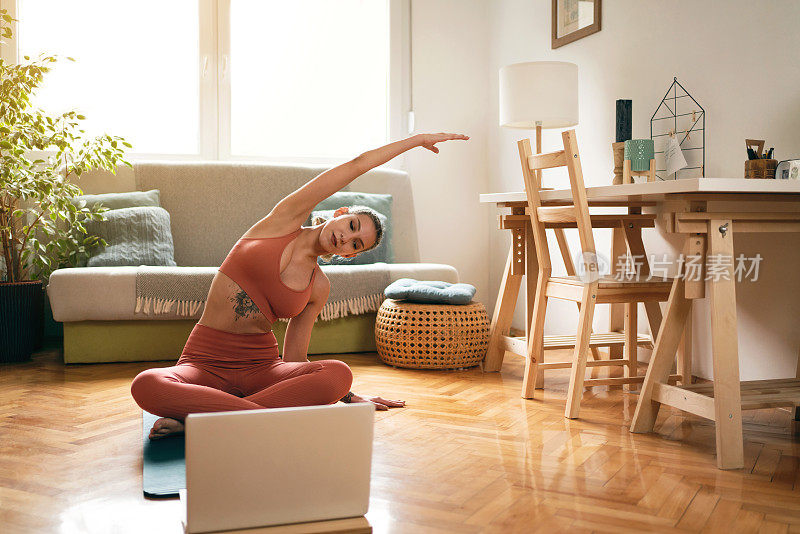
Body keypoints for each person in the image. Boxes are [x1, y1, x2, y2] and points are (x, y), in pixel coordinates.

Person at [131, 132, 470, 439]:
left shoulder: (318, 287)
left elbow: (295, 360)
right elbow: (357, 164)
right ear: (340, 211)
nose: (346, 238)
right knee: (147, 385)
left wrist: (347, 395)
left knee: (338, 375)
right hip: (203, 363)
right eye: (352, 225)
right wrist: (415, 140)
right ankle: (247, 416)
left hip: (261, 370)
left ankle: (203, 417)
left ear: (351, 256)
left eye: (356, 244)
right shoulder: (285, 219)